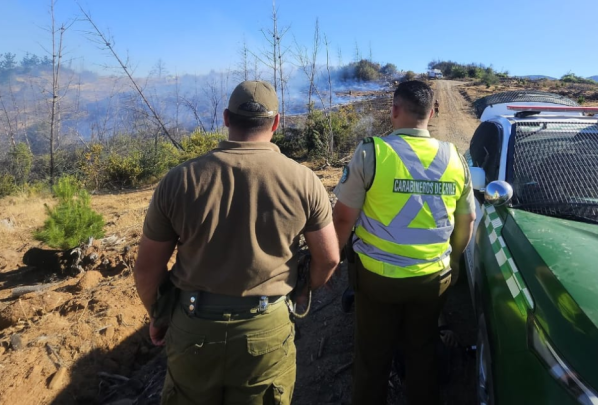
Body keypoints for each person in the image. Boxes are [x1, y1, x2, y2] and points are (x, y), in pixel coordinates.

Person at [133, 80, 340, 405]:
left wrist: (158, 316)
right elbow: (328, 258)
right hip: (266, 329)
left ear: (227, 118)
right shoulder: (304, 181)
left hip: (193, 327)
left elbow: (146, 269)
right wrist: (302, 291)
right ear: (276, 122)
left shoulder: (180, 180)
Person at [332, 80, 474, 405]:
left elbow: (342, 219)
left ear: (394, 110)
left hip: (377, 279)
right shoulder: (455, 158)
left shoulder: (372, 152)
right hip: (432, 279)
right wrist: (452, 263)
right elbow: (467, 221)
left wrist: (333, 260)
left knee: (372, 357)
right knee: (423, 351)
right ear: (432, 113)